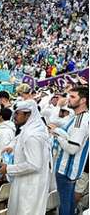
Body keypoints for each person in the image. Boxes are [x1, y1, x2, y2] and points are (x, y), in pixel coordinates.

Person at [0, 100, 51, 215]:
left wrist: (8, 168)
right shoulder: (33, 128)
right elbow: (20, 137)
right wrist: (11, 145)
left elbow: (34, 164)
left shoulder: (33, 136)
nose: (14, 116)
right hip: (27, 181)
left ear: (28, 115)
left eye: (17, 114)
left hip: (30, 186)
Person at [49, 86, 89, 215]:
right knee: (69, 204)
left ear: (83, 100)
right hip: (70, 170)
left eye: (73, 97)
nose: (69, 100)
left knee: (65, 207)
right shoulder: (80, 116)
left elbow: (72, 148)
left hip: (66, 170)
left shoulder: (80, 121)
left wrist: (58, 135)